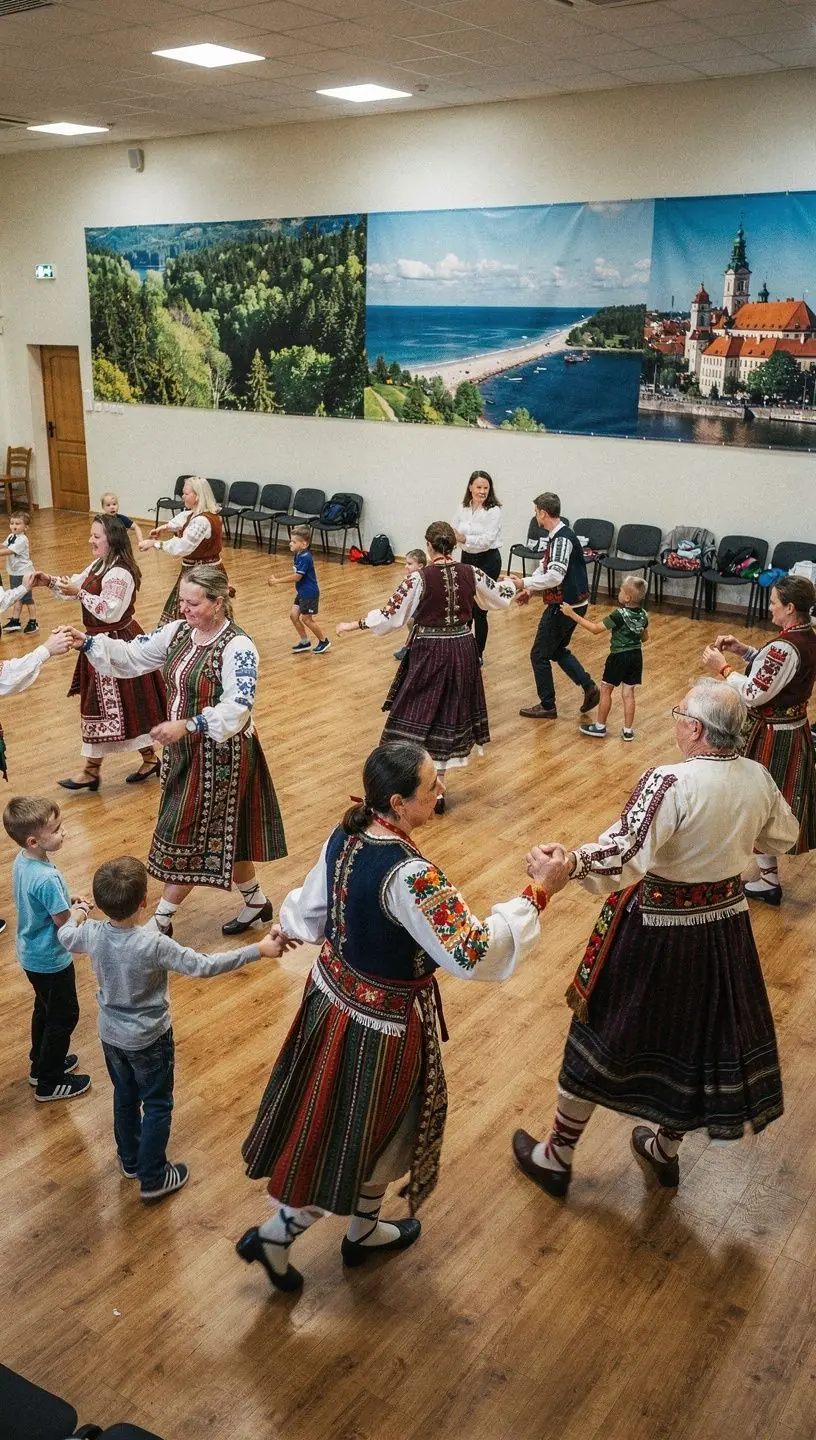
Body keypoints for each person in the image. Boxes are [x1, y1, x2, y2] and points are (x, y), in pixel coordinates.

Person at [238, 741, 570, 1293]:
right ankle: (276, 1233)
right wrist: (537, 893)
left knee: (377, 1129)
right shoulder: (411, 875)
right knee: (350, 1134)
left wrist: (290, 928)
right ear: (397, 800)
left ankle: (363, 1232)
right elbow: (470, 950)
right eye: (430, 787)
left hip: (333, 1002)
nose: (440, 792)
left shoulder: (347, 831)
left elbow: (311, 908)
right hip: (378, 1028)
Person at [512, 679, 799, 1200]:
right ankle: (665, 1151)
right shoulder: (756, 777)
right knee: (698, 1041)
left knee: (600, 1034)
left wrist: (569, 863)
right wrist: (732, 833)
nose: (675, 721)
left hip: (657, 930)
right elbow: (786, 835)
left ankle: (556, 1156)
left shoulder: (670, 781)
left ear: (693, 729)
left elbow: (624, 857)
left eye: (678, 712)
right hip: (725, 929)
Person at [57, 856, 299, 1203]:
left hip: (111, 1036)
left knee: (124, 1097)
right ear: (144, 901)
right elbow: (204, 965)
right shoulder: (153, 944)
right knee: (156, 1103)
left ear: (103, 901)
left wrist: (80, 910)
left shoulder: (92, 934)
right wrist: (257, 951)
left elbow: (66, 935)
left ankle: (130, 1160)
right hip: (150, 1039)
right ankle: (153, 1176)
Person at [64, 564, 287, 936]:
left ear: (218, 603)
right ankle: (256, 902)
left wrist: (189, 724)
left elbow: (239, 705)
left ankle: (161, 919)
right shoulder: (179, 632)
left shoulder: (239, 646)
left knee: (186, 833)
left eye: (193, 602)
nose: (184, 608)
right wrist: (86, 642)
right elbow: (134, 655)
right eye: (182, 600)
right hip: (183, 752)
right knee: (227, 836)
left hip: (223, 757)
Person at [336, 521, 516, 813]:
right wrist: (518, 584)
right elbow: (498, 595)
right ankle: (437, 791)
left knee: (413, 712)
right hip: (462, 649)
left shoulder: (418, 579)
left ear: (429, 546)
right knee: (448, 715)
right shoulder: (471, 572)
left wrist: (354, 624)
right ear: (453, 546)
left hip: (430, 652)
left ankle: (416, 787)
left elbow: (389, 616)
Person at [702, 573, 816, 906]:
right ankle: (767, 879)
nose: (771, 608)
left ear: (790, 607)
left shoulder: (785, 646)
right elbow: (776, 674)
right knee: (765, 804)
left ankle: (753, 875)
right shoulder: (807, 636)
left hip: (773, 739)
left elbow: (754, 693)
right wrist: (744, 650)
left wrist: (723, 667)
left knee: (757, 803)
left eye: (774, 603)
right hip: (792, 732)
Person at [31, 514, 167, 791]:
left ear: (111, 539)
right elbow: (75, 586)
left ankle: (93, 770)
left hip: (116, 642)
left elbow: (110, 610)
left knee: (113, 704)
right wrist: (49, 581)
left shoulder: (120, 572)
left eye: (96, 536)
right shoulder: (100, 564)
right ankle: (146, 759)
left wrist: (80, 593)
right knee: (123, 704)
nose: (90, 540)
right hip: (97, 642)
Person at [3, 795, 93, 1102]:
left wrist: (66, 899)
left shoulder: (24, 861)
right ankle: (50, 1081)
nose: (63, 832)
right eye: (55, 829)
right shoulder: (48, 877)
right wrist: (82, 910)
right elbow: (64, 924)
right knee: (64, 1016)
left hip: (30, 953)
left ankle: (40, 1063)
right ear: (33, 840)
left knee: (44, 1009)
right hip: (51, 959)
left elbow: (40, 902)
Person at [512, 492, 600, 721]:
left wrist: (523, 582)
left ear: (543, 512)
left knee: (538, 654)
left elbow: (555, 576)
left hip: (564, 606)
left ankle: (547, 705)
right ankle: (589, 687)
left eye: (536, 512)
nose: (536, 517)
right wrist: (530, 589)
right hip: (575, 603)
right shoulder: (559, 535)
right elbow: (545, 566)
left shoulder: (561, 539)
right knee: (556, 650)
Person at [562, 574, 649, 741]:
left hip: (618, 657)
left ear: (627, 597)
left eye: (621, 590)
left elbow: (595, 629)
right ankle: (628, 731)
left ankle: (600, 726)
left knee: (606, 689)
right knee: (629, 693)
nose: (619, 592)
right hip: (636, 657)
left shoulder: (619, 615)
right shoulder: (644, 615)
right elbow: (645, 638)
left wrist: (572, 614)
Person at [139, 476, 227, 625]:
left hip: (203, 575)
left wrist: (155, 544)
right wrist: (164, 527)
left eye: (186, 494)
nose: (183, 496)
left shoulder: (202, 520)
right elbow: (182, 519)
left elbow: (183, 547)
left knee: (198, 610)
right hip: (198, 571)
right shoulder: (199, 514)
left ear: (197, 496)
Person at [452, 471, 503, 660]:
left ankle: (478, 654)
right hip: (467, 558)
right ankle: (463, 650)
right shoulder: (463, 507)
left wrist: (464, 538)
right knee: (465, 608)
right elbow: (454, 529)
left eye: (486, 488)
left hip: (488, 561)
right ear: (470, 487)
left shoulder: (494, 510)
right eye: (479, 487)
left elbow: (487, 540)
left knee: (480, 610)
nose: (482, 491)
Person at [269, 524, 330, 654]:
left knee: (307, 619)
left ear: (304, 544)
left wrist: (277, 581)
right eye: (291, 540)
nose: (290, 543)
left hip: (309, 594)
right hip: (302, 592)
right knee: (293, 616)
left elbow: (297, 577)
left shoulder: (305, 558)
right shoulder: (298, 554)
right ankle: (304, 642)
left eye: (293, 541)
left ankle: (323, 641)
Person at [0, 512, 37, 634]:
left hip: (23, 573)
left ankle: (33, 621)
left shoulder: (22, 539)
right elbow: (4, 545)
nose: (14, 526)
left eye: (17, 523)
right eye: (12, 523)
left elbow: (9, 551)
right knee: (17, 597)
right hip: (14, 572)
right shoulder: (11, 536)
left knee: (27, 599)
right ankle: (15, 620)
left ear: (25, 527)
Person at [394, 548, 427, 662]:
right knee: (410, 622)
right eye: (406, 563)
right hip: (416, 606)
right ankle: (411, 645)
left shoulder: (422, 578)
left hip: (424, 607)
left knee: (412, 622)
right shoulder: (411, 578)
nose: (406, 566)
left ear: (420, 566)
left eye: (409, 564)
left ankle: (410, 647)